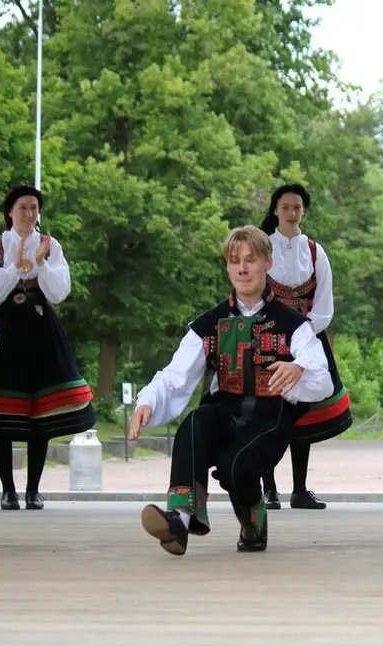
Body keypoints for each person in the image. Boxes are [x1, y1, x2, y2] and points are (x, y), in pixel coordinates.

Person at [129, 226, 332, 555]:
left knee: (235, 464)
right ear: (227, 267)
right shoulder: (208, 324)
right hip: (224, 412)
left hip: (270, 419)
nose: (242, 268)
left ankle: (253, 523)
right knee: (194, 424)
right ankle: (178, 520)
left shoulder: (294, 325)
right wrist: (148, 401)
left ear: (268, 263)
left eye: (251, 260)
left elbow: (322, 380)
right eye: (234, 261)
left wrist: (297, 370)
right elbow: (175, 374)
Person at [0, 185, 95, 510]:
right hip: (5, 330)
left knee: (40, 414)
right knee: (1, 413)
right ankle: (8, 489)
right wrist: (16, 267)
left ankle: (33, 489)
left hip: (40, 329)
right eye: (23, 207)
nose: (29, 213)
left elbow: (59, 292)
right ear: (10, 211)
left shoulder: (51, 245)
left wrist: (40, 263)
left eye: (34, 207)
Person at [257, 183, 351, 510]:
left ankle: (299, 489)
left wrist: (302, 334)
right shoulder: (261, 248)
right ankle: (268, 489)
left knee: (303, 412)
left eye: (297, 207)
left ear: (303, 211)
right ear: (275, 210)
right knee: (267, 413)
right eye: (286, 207)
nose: (292, 213)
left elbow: (324, 306)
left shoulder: (315, 251)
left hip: (307, 340)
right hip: (266, 338)